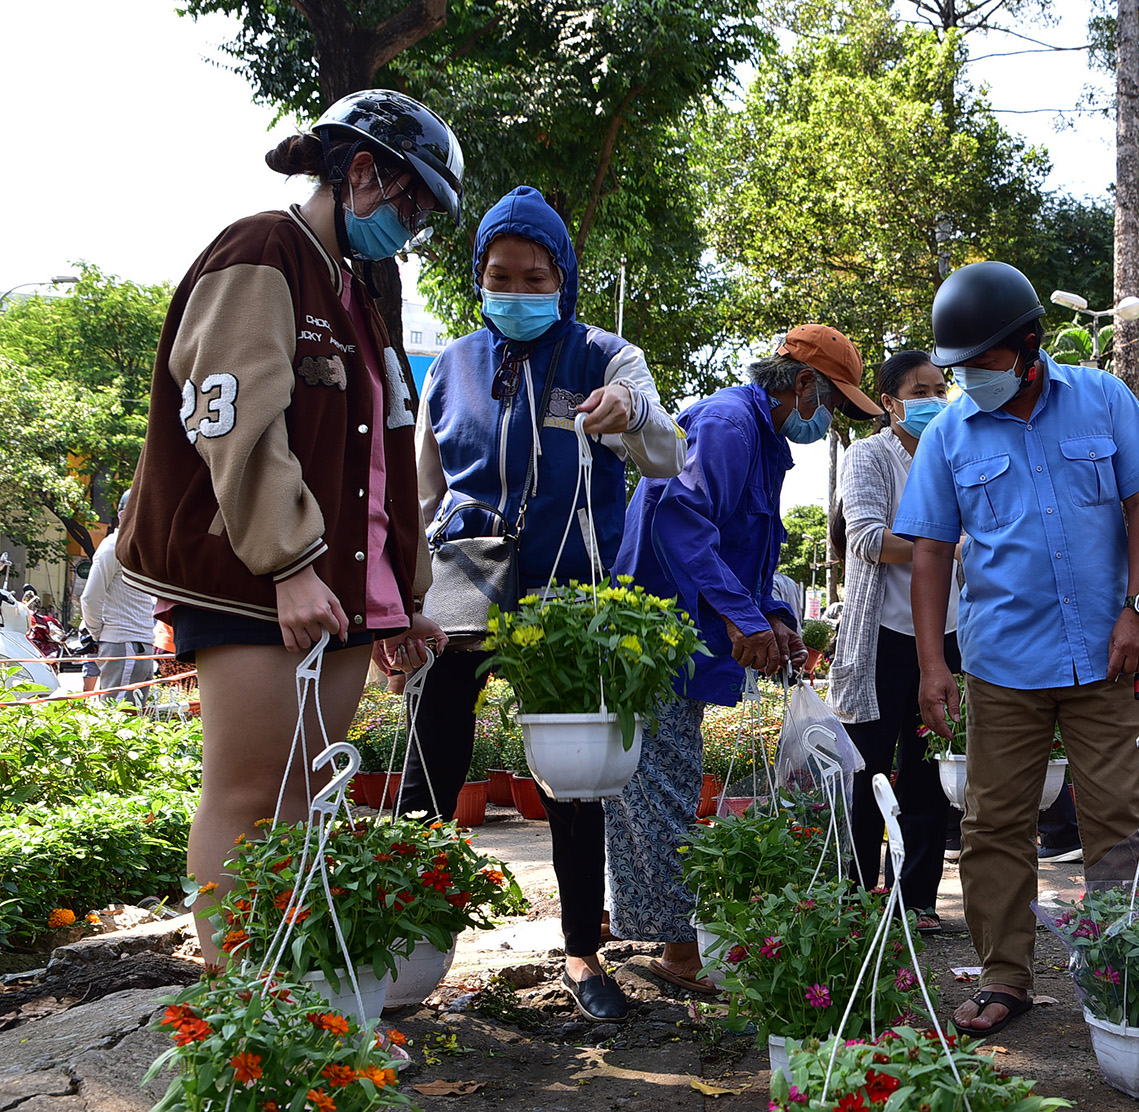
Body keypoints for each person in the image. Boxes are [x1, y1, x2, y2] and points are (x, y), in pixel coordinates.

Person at [118, 90, 461, 961]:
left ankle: (292, 1000)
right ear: (360, 173)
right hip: (253, 578)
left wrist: (398, 596)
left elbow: (375, 468)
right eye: (413, 201)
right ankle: (244, 1005)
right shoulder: (264, 248)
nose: (413, 226)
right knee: (247, 792)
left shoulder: (354, 292)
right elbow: (233, 417)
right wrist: (287, 562)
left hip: (333, 591)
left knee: (307, 791)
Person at [401, 186, 686, 1023]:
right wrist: (405, 602)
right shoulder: (448, 368)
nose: (516, 291)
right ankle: (413, 930)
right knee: (433, 751)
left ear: (561, 276)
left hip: (567, 593)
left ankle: (580, 948)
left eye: (534, 276)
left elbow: (667, 454)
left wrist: (630, 413)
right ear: (478, 276)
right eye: (500, 275)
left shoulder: (606, 355)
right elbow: (423, 496)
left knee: (574, 774)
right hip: (463, 581)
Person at [897, 260, 1139, 1037]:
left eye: (980, 362)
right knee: (993, 823)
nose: (966, 379)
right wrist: (933, 664)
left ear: (1027, 344)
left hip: (1107, 653)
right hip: (1002, 665)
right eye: (955, 367)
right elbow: (929, 550)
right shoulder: (950, 436)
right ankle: (1005, 977)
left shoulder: (1101, 397)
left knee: (1119, 815)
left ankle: (1129, 962)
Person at [613, 326, 880, 991]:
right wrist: (742, 615)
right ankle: (678, 952)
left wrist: (778, 617)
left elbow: (748, 551)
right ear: (804, 384)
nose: (832, 423)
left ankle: (663, 935)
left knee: (658, 780)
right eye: (834, 406)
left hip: (687, 637)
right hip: (658, 634)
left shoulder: (762, 442)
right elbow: (681, 521)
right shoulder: (730, 424)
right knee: (662, 783)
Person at [829, 350, 959, 931]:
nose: (934, 400)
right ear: (889, 401)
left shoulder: (954, 452)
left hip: (950, 632)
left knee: (930, 768)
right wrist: (943, 545)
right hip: (881, 635)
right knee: (869, 769)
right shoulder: (868, 456)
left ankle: (917, 900)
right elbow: (866, 541)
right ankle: (857, 898)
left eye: (940, 389)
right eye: (920, 390)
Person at [80, 490, 159, 707]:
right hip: (124, 643)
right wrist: (97, 633)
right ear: (123, 516)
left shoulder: (140, 548)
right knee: (118, 721)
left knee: (131, 722)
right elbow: (89, 598)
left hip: (138, 644)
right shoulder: (112, 546)